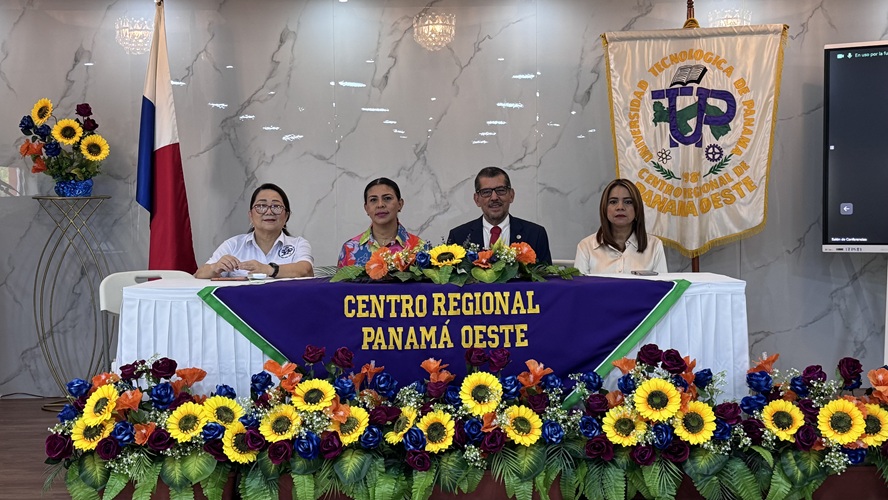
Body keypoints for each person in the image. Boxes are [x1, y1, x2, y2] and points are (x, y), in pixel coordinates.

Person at [194, 183, 313, 279]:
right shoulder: (233, 245)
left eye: (276, 206)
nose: (269, 212)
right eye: (261, 206)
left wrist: (268, 269)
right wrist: (215, 267)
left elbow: (305, 270)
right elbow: (200, 274)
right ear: (251, 215)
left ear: (286, 216)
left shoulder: (298, 244)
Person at [447, 166, 552, 264]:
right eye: (486, 192)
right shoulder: (458, 237)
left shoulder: (535, 234)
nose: (494, 198)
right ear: (477, 199)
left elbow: (545, 276)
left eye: (501, 190)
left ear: (511, 195)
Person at [574, 178, 667, 275]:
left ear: (637, 208)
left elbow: (663, 284)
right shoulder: (586, 247)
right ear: (604, 208)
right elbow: (579, 285)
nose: (620, 207)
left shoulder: (654, 246)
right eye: (613, 202)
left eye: (628, 202)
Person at [338, 177, 421, 268]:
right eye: (373, 200)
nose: (380, 205)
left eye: (387, 198)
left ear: (400, 204)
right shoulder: (350, 249)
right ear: (366, 208)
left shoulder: (418, 247)